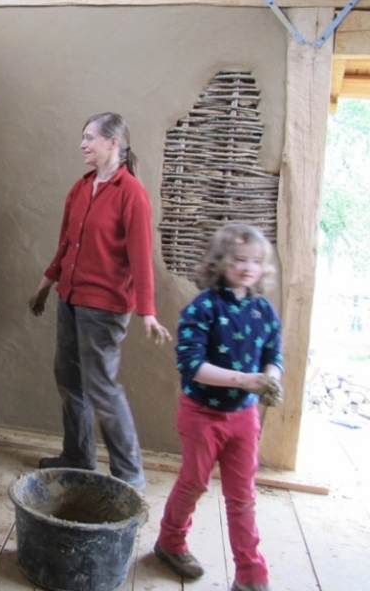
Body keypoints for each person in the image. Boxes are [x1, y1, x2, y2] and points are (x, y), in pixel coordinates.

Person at [29, 112, 172, 491]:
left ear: (114, 143)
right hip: (70, 297)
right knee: (68, 377)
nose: (83, 144)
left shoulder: (132, 194)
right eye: (82, 137)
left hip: (105, 307)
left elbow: (142, 258)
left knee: (102, 387)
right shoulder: (81, 188)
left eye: (90, 137)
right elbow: (66, 244)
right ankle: (78, 456)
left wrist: (148, 312)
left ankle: (129, 478)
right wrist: (47, 282)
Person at [154, 224, 283, 591]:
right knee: (194, 482)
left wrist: (271, 378)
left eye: (255, 261)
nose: (247, 267)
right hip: (201, 413)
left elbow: (275, 356)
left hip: (244, 417)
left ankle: (251, 574)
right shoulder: (204, 307)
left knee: (242, 496)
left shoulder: (264, 312)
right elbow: (192, 366)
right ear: (220, 261)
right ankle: (170, 542)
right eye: (239, 259)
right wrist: (248, 380)